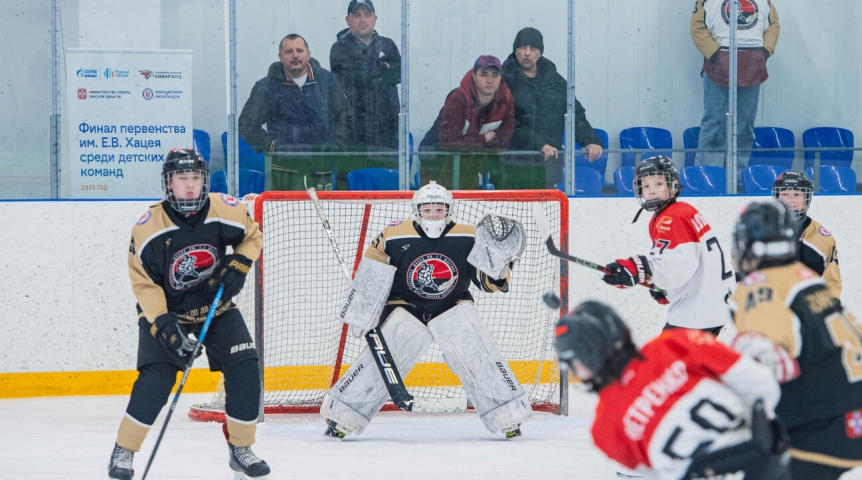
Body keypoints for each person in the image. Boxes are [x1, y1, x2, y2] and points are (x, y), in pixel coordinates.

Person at [319, 181, 532, 439]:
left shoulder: (468, 235)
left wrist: (500, 267)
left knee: (478, 355)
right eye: (427, 209)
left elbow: (485, 283)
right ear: (416, 210)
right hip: (406, 307)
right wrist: (363, 311)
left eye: (439, 209)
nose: (433, 214)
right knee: (383, 362)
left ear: (449, 210)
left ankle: (507, 417)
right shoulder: (394, 234)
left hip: (452, 305)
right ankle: (343, 417)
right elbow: (372, 275)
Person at [108, 149, 268, 479]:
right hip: (167, 310)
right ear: (169, 184)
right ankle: (124, 450)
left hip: (214, 304)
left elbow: (252, 235)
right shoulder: (149, 228)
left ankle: (240, 448)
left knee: (246, 369)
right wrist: (163, 323)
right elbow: (144, 283)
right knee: (157, 379)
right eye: (183, 179)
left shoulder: (225, 209)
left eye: (196, 178)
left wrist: (239, 263)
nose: (191, 186)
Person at [554, 300, 791, 480]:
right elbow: (762, 385)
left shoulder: (603, 429)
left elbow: (653, 473)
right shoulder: (672, 343)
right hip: (764, 462)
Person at [729, 199, 862, 480]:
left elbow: (763, 355)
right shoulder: (806, 278)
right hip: (852, 416)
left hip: (820, 425)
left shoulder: (758, 284)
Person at [601, 155, 735, 335]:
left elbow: (679, 265)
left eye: (658, 184)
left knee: (662, 361)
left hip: (696, 312)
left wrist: (641, 269)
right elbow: (689, 260)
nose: (651, 190)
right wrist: (661, 286)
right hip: (713, 304)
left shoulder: (672, 218)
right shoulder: (682, 211)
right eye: (646, 186)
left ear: (673, 186)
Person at [239, 33, 353, 190]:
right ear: (280, 56)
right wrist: (272, 145)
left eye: (299, 50)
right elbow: (246, 125)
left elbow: (345, 117)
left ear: (308, 54)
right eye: (289, 51)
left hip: (321, 171)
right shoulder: (266, 87)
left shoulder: (328, 81)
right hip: (283, 173)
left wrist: (335, 145)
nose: (295, 55)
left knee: (321, 214)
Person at [502, 27, 604, 189]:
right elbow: (507, 121)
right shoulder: (503, 80)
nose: (527, 53)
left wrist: (590, 141)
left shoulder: (555, 82)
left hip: (547, 168)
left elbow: (574, 113)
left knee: (545, 214)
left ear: (540, 52)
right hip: (512, 166)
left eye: (533, 48)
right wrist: (538, 144)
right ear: (515, 51)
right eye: (522, 48)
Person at [691, 0, 780, 171]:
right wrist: (715, 54)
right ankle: (708, 173)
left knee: (745, 123)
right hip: (718, 65)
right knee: (714, 121)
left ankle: (739, 175)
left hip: (752, 66)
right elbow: (697, 27)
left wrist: (764, 52)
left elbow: (773, 24)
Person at [419, 56, 514, 190]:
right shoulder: (458, 98)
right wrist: (484, 138)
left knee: (468, 206)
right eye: (484, 74)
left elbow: (504, 141)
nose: (490, 80)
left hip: (469, 163)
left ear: (500, 78)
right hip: (436, 160)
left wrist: (469, 145)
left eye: (495, 75)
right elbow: (448, 144)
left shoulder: (506, 100)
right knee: (438, 208)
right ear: (473, 76)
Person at [330, 0, 401, 151]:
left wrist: (370, 72)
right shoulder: (339, 48)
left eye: (367, 14)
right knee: (353, 173)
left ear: (375, 19)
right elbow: (360, 76)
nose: (363, 19)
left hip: (386, 128)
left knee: (386, 174)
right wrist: (383, 66)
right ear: (348, 20)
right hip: (353, 130)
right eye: (357, 15)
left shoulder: (388, 44)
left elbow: (400, 74)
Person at [772, 170, 842, 298]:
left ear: (807, 198)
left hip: (807, 311)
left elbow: (831, 285)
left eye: (797, 194)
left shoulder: (822, 240)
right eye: (785, 194)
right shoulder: (760, 233)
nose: (790, 200)